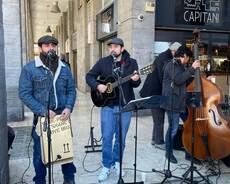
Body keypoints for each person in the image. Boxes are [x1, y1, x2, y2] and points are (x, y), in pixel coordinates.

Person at [19, 35, 76, 184]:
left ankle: (69, 179)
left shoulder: (65, 67)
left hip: (62, 116)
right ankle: (40, 180)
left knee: (66, 150)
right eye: (46, 45)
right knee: (40, 153)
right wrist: (43, 110)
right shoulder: (30, 69)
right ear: (40, 48)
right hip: (42, 117)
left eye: (53, 45)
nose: (50, 48)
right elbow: (24, 93)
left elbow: (71, 90)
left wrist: (69, 107)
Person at [86, 37, 141, 182]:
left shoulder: (131, 62)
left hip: (126, 106)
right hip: (108, 106)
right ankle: (106, 165)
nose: (112, 49)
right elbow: (89, 76)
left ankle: (117, 163)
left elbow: (136, 84)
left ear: (122, 49)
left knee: (121, 138)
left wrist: (136, 80)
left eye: (116, 47)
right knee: (107, 137)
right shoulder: (103, 62)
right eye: (111, 46)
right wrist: (98, 86)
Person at [161, 45, 200, 164]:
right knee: (173, 129)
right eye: (188, 58)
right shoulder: (171, 65)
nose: (189, 60)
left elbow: (185, 80)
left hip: (182, 102)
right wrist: (192, 69)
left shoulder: (181, 66)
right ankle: (168, 152)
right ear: (184, 56)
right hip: (172, 102)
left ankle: (189, 154)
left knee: (190, 127)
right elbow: (178, 80)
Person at [139, 42, 181, 150]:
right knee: (159, 118)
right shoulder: (164, 59)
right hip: (155, 92)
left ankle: (154, 139)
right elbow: (164, 77)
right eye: (178, 53)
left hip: (154, 91)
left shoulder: (164, 56)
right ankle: (159, 142)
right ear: (173, 51)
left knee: (157, 118)